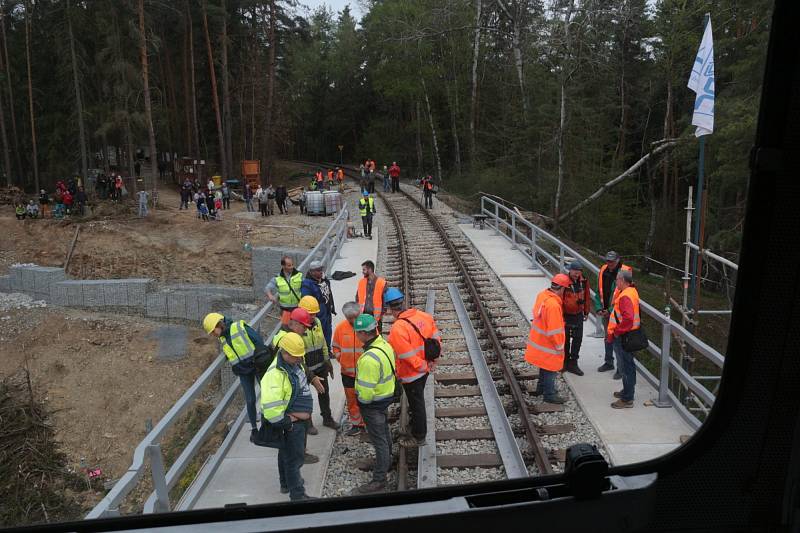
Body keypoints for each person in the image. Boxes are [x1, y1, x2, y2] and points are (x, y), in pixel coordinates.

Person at [259, 331, 314, 500]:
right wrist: (288, 424)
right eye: (296, 357)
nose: (299, 360)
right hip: (290, 425)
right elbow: (270, 409)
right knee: (294, 459)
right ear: (285, 353)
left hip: (295, 422)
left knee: (284, 453)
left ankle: (286, 483)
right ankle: (297, 495)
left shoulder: (291, 365)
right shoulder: (275, 375)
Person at [385, 288, 440, 448]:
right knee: (416, 401)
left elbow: (405, 356)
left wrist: (422, 367)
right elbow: (436, 340)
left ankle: (419, 436)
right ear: (403, 302)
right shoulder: (424, 316)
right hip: (425, 368)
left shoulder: (397, 329)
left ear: (389, 308)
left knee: (417, 404)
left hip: (412, 374)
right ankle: (414, 426)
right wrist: (432, 362)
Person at [203, 312, 268, 442]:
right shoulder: (222, 338)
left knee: (267, 396)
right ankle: (255, 430)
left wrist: (261, 359)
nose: (212, 335)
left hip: (257, 365)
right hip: (243, 371)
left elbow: (258, 341)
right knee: (250, 400)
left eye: (212, 331)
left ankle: (268, 427)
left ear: (219, 324)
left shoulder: (238, 327)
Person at [351, 313, 396, 494]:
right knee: (384, 433)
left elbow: (366, 393)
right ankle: (387, 461)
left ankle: (379, 480)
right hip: (384, 398)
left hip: (373, 404)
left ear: (363, 333)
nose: (356, 335)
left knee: (379, 441)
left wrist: (361, 402)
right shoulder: (383, 344)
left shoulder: (369, 359)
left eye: (357, 332)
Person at [525, 273, 571, 404]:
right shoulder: (554, 305)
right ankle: (549, 394)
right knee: (551, 368)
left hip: (539, 340)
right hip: (548, 344)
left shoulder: (543, 295)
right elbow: (554, 331)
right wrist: (560, 346)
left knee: (543, 365)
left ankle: (541, 388)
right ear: (562, 288)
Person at [298, 296, 339, 431]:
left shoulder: (317, 322)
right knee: (305, 397)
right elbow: (298, 356)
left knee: (324, 392)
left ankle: (327, 418)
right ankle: (308, 423)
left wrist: (327, 360)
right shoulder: (297, 329)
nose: (313, 316)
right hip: (305, 370)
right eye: (310, 314)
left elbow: (323, 343)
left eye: (314, 313)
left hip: (320, 365)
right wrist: (309, 375)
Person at [594, 251, 633, 379]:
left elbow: (625, 295)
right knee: (608, 338)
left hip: (618, 314)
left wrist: (610, 310)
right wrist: (599, 307)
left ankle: (620, 369)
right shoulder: (604, 270)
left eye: (612, 261)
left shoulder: (625, 271)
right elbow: (598, 289)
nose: (609, 263)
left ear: (618, 260)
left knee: (618, 343)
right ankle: (608, 362)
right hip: (606, 311)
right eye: (608, 261)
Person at [608, 269, 641, 409]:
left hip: (624, 336)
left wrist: (617, 331)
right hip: (630, 335)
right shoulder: (632, 291)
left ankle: (627, 399)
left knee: (625, 367)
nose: (616, 282)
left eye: (617, 279)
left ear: (622, 280)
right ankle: (627, 392)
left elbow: (627, 318)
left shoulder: (625, 296)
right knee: (629, 365)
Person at [332, 302, 366, 437]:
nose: (353, 321)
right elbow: (335, 347)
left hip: (364, 373)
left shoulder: (367, 326)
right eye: (350, 318)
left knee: (366, 398)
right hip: (347, 373)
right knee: (352, 400)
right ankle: (357, 424)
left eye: (355, 317)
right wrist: (340, 358)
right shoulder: (340, 328)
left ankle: (368, 422)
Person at [562, 261, 591, 376]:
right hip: (565, 314)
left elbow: (587, 296)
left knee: (577, 339)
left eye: (578, 271)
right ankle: (565, 362)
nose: (576, 273)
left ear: (580, 272)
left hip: (578, 314)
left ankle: (573, 363)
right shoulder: (564, 281)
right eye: (574, 271)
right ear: (570, 270)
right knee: (565, 339)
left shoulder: (584, 281)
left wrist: (586, 311)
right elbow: (558, 298)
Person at [301, 260, 335, 350]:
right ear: (311, 272)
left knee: (328, 330)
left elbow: (329, 293)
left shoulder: (324, 279)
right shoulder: (307, 284)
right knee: (320, 332)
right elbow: (307, 300)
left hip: (327, 309)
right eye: (318, 270)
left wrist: (332, 307)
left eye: (321, 269)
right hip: (318, 311)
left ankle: (328, 349)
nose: (321, 271)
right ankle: (321, 352)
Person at [265, 255, 304, 324]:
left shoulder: (299, 275)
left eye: (292, 265)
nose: (291, 267)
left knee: (297, 328)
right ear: (283, 266)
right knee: (286, 328)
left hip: (298, 307)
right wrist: (270, 296)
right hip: (285, 310)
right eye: (289, 265)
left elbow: (306, 287)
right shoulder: (277, 278)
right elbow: (267, 288)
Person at [356, 260, 386, 331]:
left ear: (370, 270)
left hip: (376, 317)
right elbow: (357, 298)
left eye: (364, 269)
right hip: (364, 316)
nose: (362, 271)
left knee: (377, 337)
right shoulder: (361, 282)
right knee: (365, 337)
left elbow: (385, 301)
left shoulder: (381, 283)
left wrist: (381, 315)